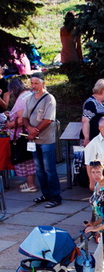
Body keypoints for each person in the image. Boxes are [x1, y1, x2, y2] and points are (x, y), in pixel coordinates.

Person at [24, 73, 62, 208]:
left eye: (36, 83)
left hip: (46, 140)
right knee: (39, 169)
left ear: (43, 84)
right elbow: (24, 117)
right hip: (34, 140)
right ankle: (46, 193)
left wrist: (35, 131)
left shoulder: (49, 99)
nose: (33, 86)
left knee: (49, 169)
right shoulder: (29, 99)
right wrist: (29, 128)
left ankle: (56, 196)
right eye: (32, 83)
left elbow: (48, 120)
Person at [78, 161, 104, 272]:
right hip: (101, 228)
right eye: (93, 172)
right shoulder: (97, 185)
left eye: (98, 172)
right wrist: (94, 225)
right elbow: (96, 210)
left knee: (99, 257)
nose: (96, 175)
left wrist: (97, 227)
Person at [5, 78, 36, 193]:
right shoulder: (29, 94)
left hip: (22, 136)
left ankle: (31, 184)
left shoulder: (21, 100)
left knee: (25, 160)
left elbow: (22, 119)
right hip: (30, 134)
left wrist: (10, 124)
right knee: (30, 159)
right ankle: (30, 183)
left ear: (13, 90)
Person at [81, 78, 104, 146]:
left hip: (101, 139)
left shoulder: (103, 102)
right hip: (93, 139)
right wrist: (87, 138)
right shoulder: (90, 103)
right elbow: (85, 121)